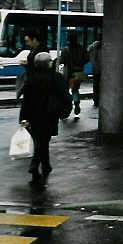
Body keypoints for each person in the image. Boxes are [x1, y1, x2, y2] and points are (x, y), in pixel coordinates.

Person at [19, 52, 69, 186]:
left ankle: (46, 165)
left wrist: (23, 118)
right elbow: (65, 96)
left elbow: (26, 101)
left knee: (39, 139)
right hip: (50, 114)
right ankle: (34, 165)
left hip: (33, 115)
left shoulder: (31, 79)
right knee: (43, 140)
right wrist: (65, 111)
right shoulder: (56, 78)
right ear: (49, 63)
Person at [59, 31, 88, 116]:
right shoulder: (81, 48)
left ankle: (67, 109)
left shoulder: (65, 50)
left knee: (66, 91)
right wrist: (80, 63)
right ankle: (76, 104)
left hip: (69, 74)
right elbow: (87, 58)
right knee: (75, 90)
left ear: (68, 39)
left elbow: (62, 61)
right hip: (79, 73)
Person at [87, 38, 102, 108]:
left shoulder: (91, 49)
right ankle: (100, 99)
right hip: (102, 70)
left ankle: (96, 100)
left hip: (95, 70)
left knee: (95, 85)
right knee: (102, 85)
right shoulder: (102, 49)